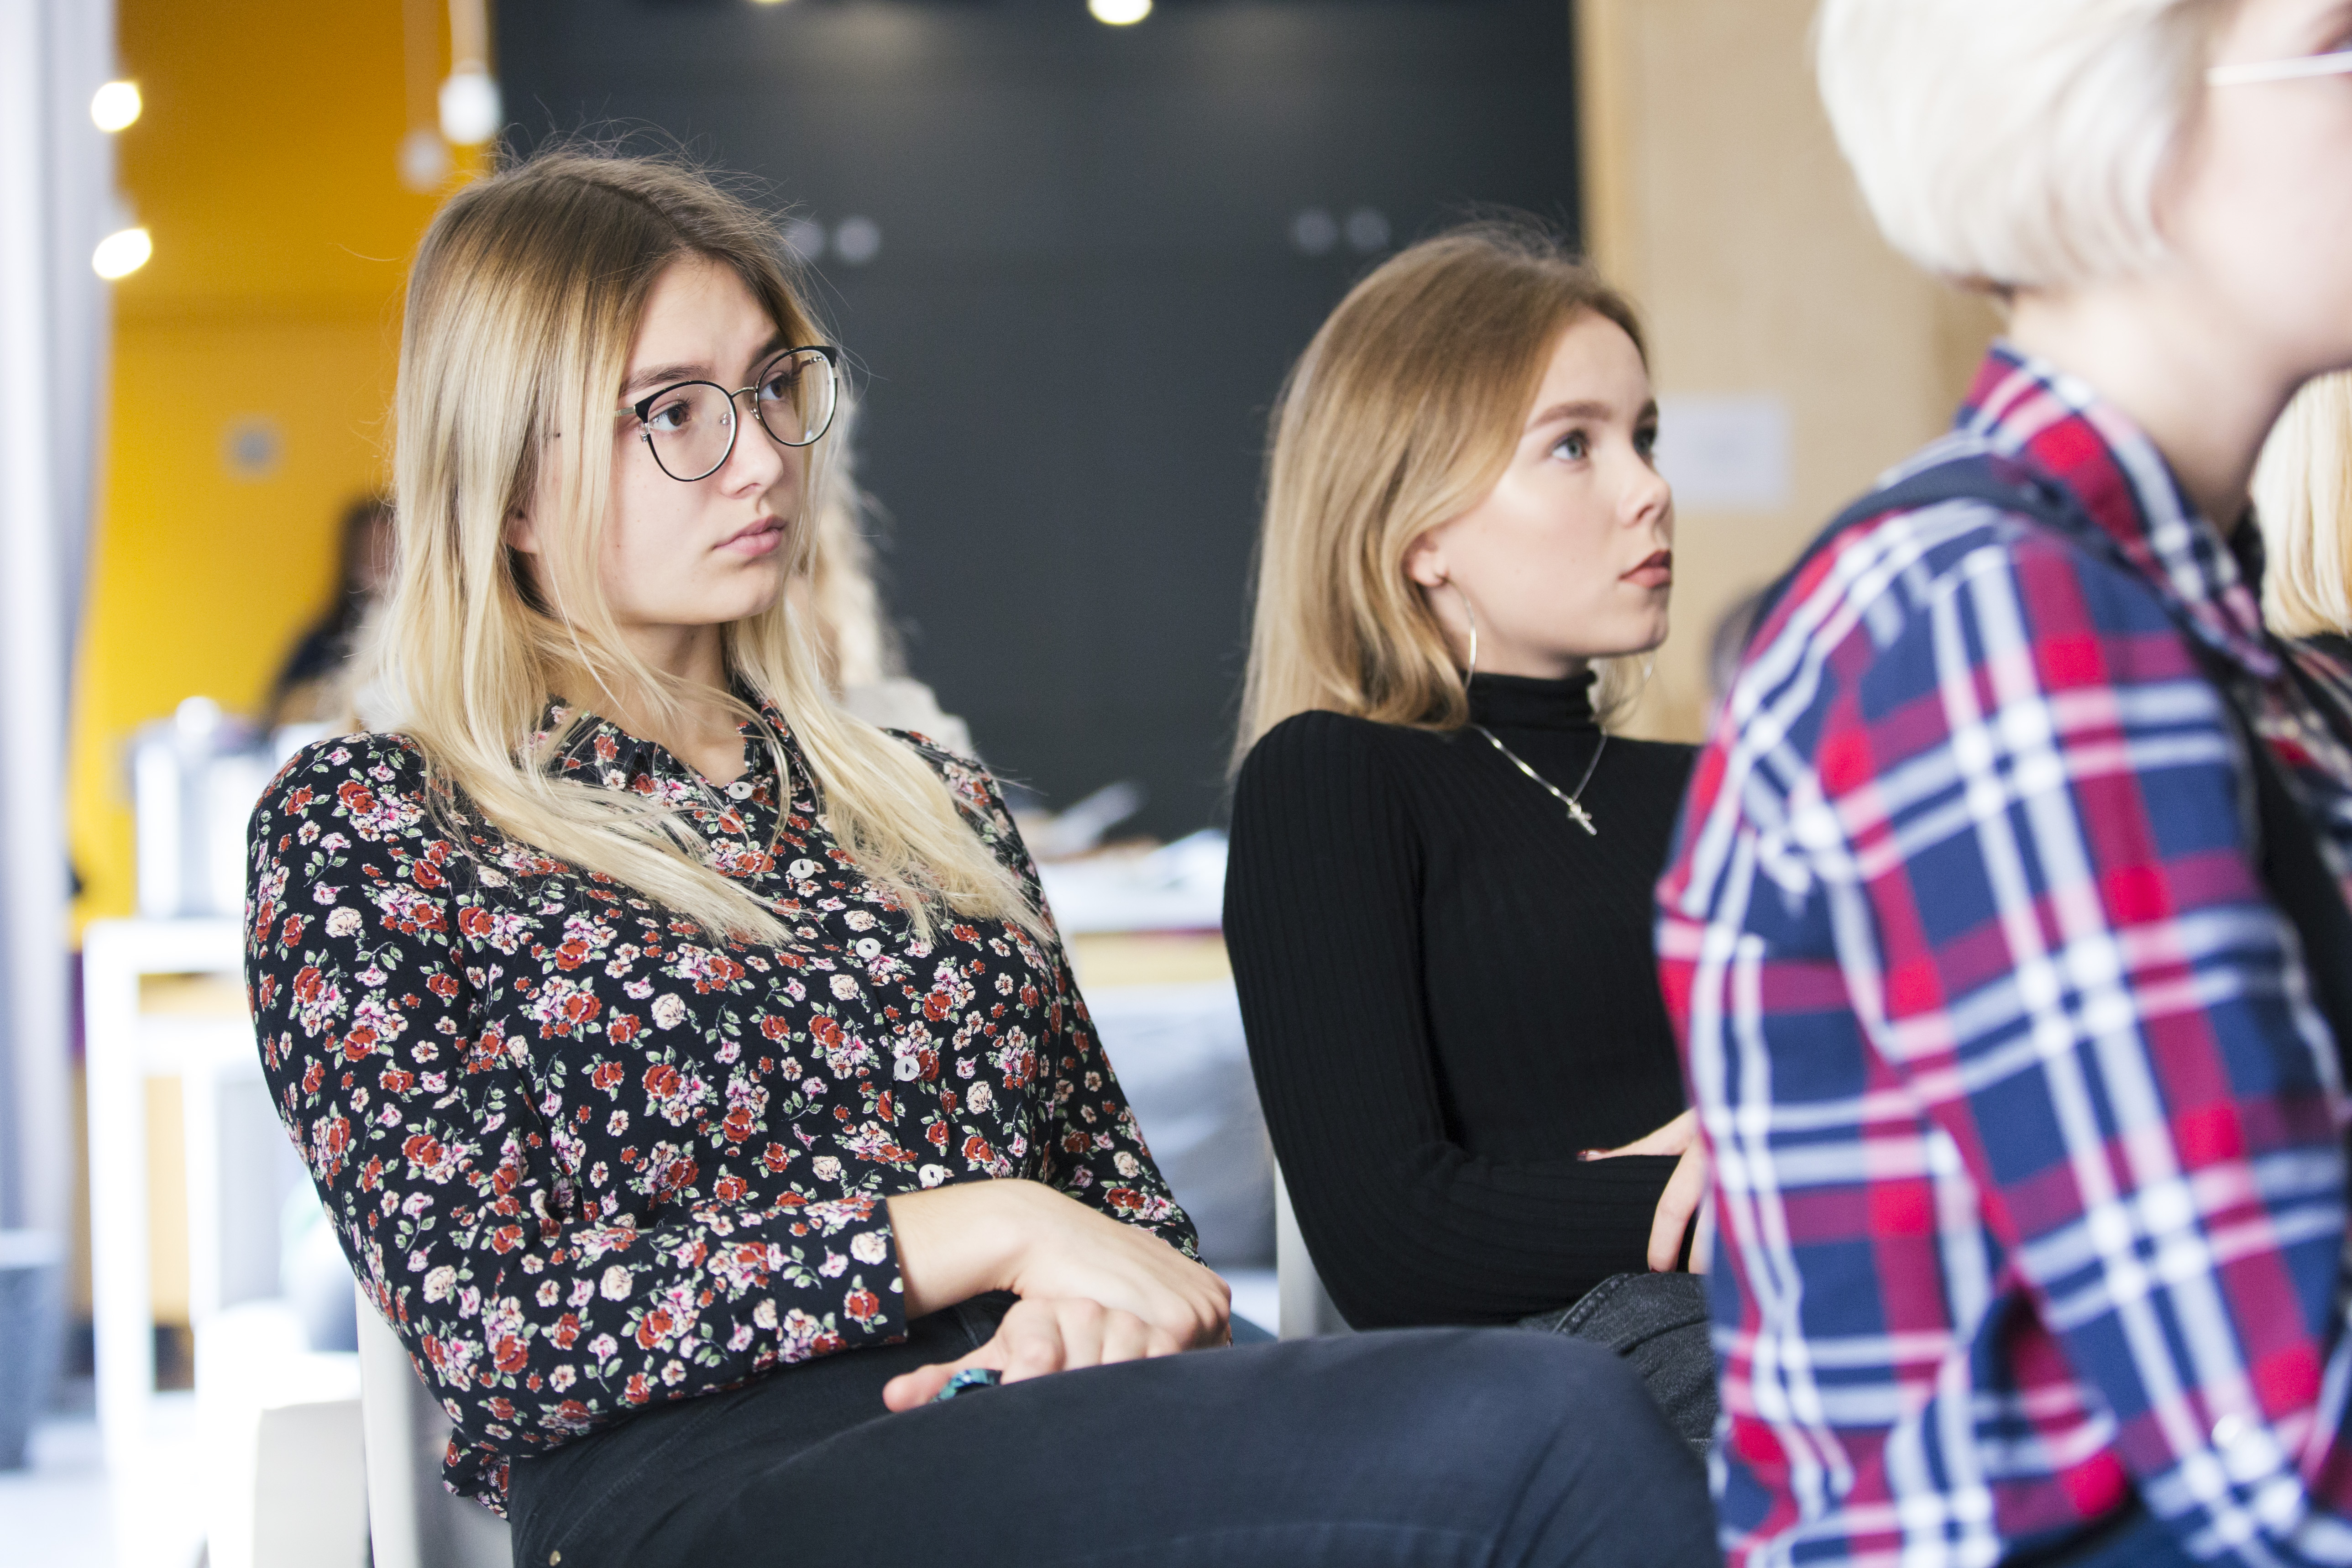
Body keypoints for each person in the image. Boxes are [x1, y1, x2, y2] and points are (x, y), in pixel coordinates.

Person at [242, 149, 1720, 1567]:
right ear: (505, 483)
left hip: (1072, 1406)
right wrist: (978, 1229)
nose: (760, 457)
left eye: (772, 390)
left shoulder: (919, 800)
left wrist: (1097, 1306)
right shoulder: (379, 831)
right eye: (672, 411)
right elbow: (502, 1328)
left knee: (1598, 1415)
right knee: (1554, 1421)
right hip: (727, 1475)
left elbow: (1138, 1230)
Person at [1657, 0, 2352, 1563]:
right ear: (2126, 123)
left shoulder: (2162, 612)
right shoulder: (2001, 623)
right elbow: (2280, 1444)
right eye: (2340, 41)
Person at [1223, 224, 1715, 1444]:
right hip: (1573, 1360)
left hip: (1813, 1284)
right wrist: (1740, 1185)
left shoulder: (1731, 781)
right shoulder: (1332, 779)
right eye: (1572, 445)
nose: (1648, 489)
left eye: (1642, 437)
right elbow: (1394, 1238)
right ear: (1418, 530)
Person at [265, 493, 394, 729]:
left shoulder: (427, 635)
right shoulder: (327, 632)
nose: (381, 559)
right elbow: (281, 707)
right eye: (371, 548)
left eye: (389, 547)